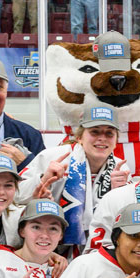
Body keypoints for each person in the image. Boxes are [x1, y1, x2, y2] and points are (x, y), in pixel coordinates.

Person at [22, 104, 127, 252]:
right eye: (94, 132)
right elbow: (16, 195)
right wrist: (41, 180)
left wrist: (118, 195)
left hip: (95, 251)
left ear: (116, 141)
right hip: (46, 247)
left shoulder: (121, 170)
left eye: (109, 133)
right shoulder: (52, 158)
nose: (102, 138)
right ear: (79, 137)